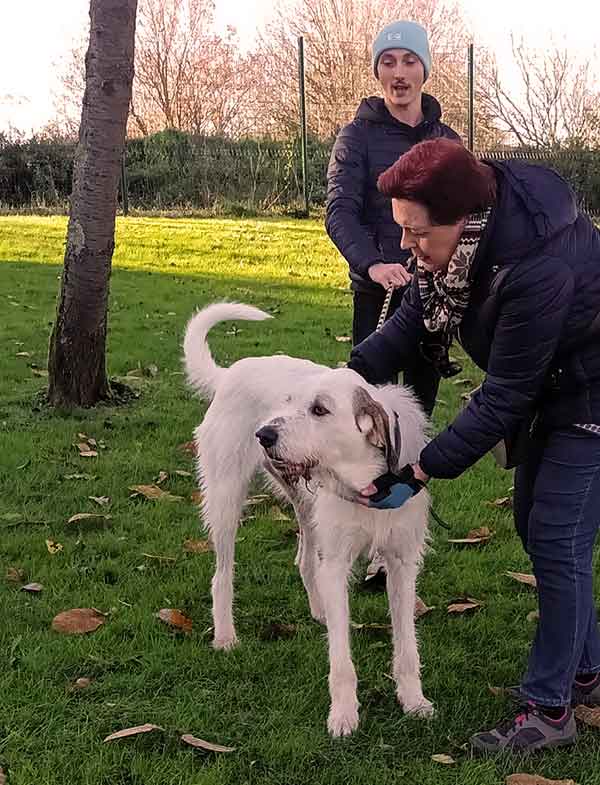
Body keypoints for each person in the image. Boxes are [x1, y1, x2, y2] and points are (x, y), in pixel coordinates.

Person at [347, 137, 600, 754]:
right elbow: (411, 315)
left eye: (416, 232)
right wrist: (345, 380)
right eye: (398, 229)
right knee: (535, 523)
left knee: (557, 533)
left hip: (591, 396)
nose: (405, 244)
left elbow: (505, 393)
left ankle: (549, 710)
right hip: (551, 388)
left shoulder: (537, 263)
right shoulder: (455, 256)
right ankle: (588, 670)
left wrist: (419, 471)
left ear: (459, 221)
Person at [325, 19, 460, 417]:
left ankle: (410, 479)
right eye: (387, 62)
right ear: (377, 72)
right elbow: (339, 212)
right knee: (368, 413)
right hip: (378, 294)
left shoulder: (448, 141)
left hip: (434, 293)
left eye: (409, 61)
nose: (399, 74)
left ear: (424, 70)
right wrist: (373, 265)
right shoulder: (356, 137)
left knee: (418, 414)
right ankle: (368, 481)